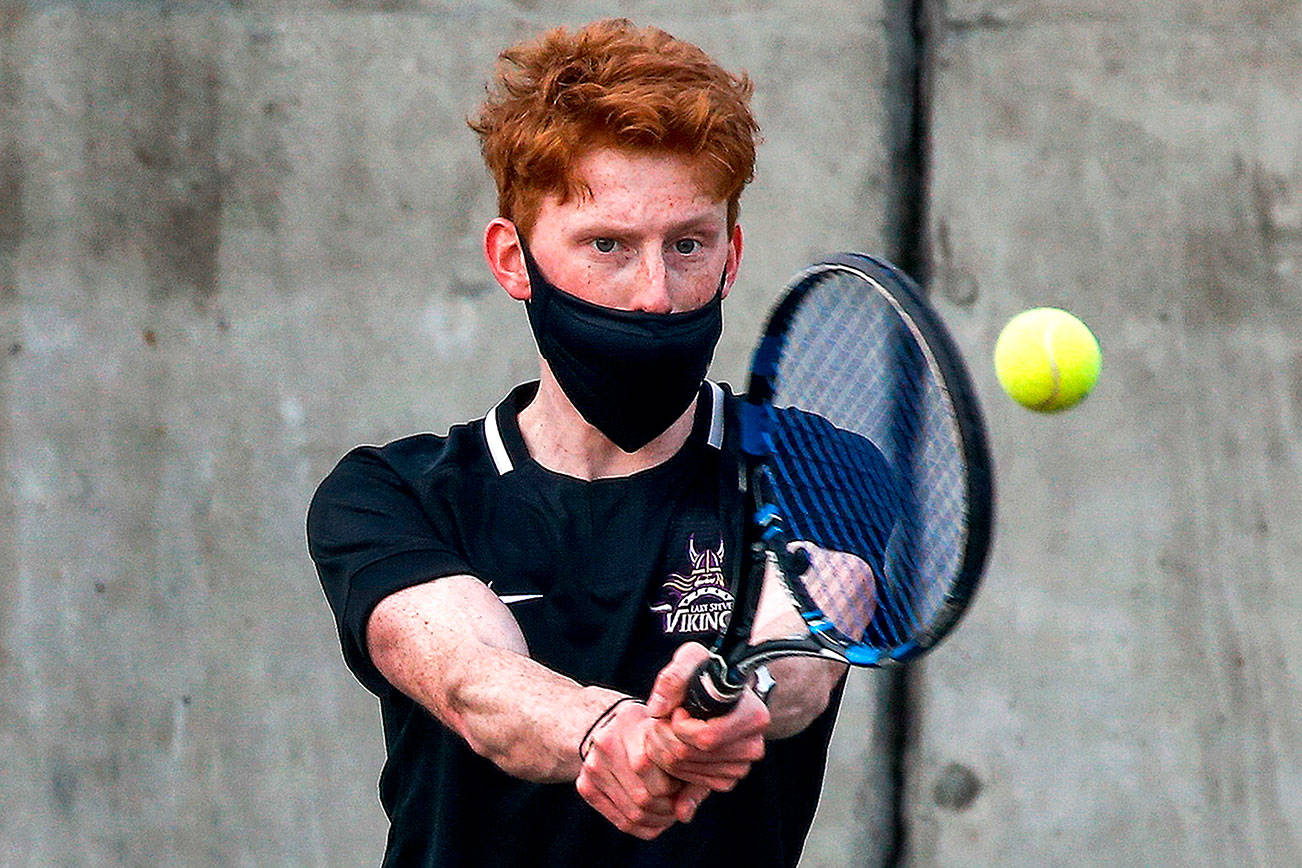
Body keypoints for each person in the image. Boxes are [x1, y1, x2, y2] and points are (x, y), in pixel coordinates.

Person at [307, 19, 848, 866]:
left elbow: (803, 653)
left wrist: (735, 705)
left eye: (688, 245)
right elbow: (472, 679)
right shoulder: (392, 495)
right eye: (608, 246)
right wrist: (608, 732)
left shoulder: (819, 470)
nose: (656, 297)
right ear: (513, 260)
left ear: (732, 255)